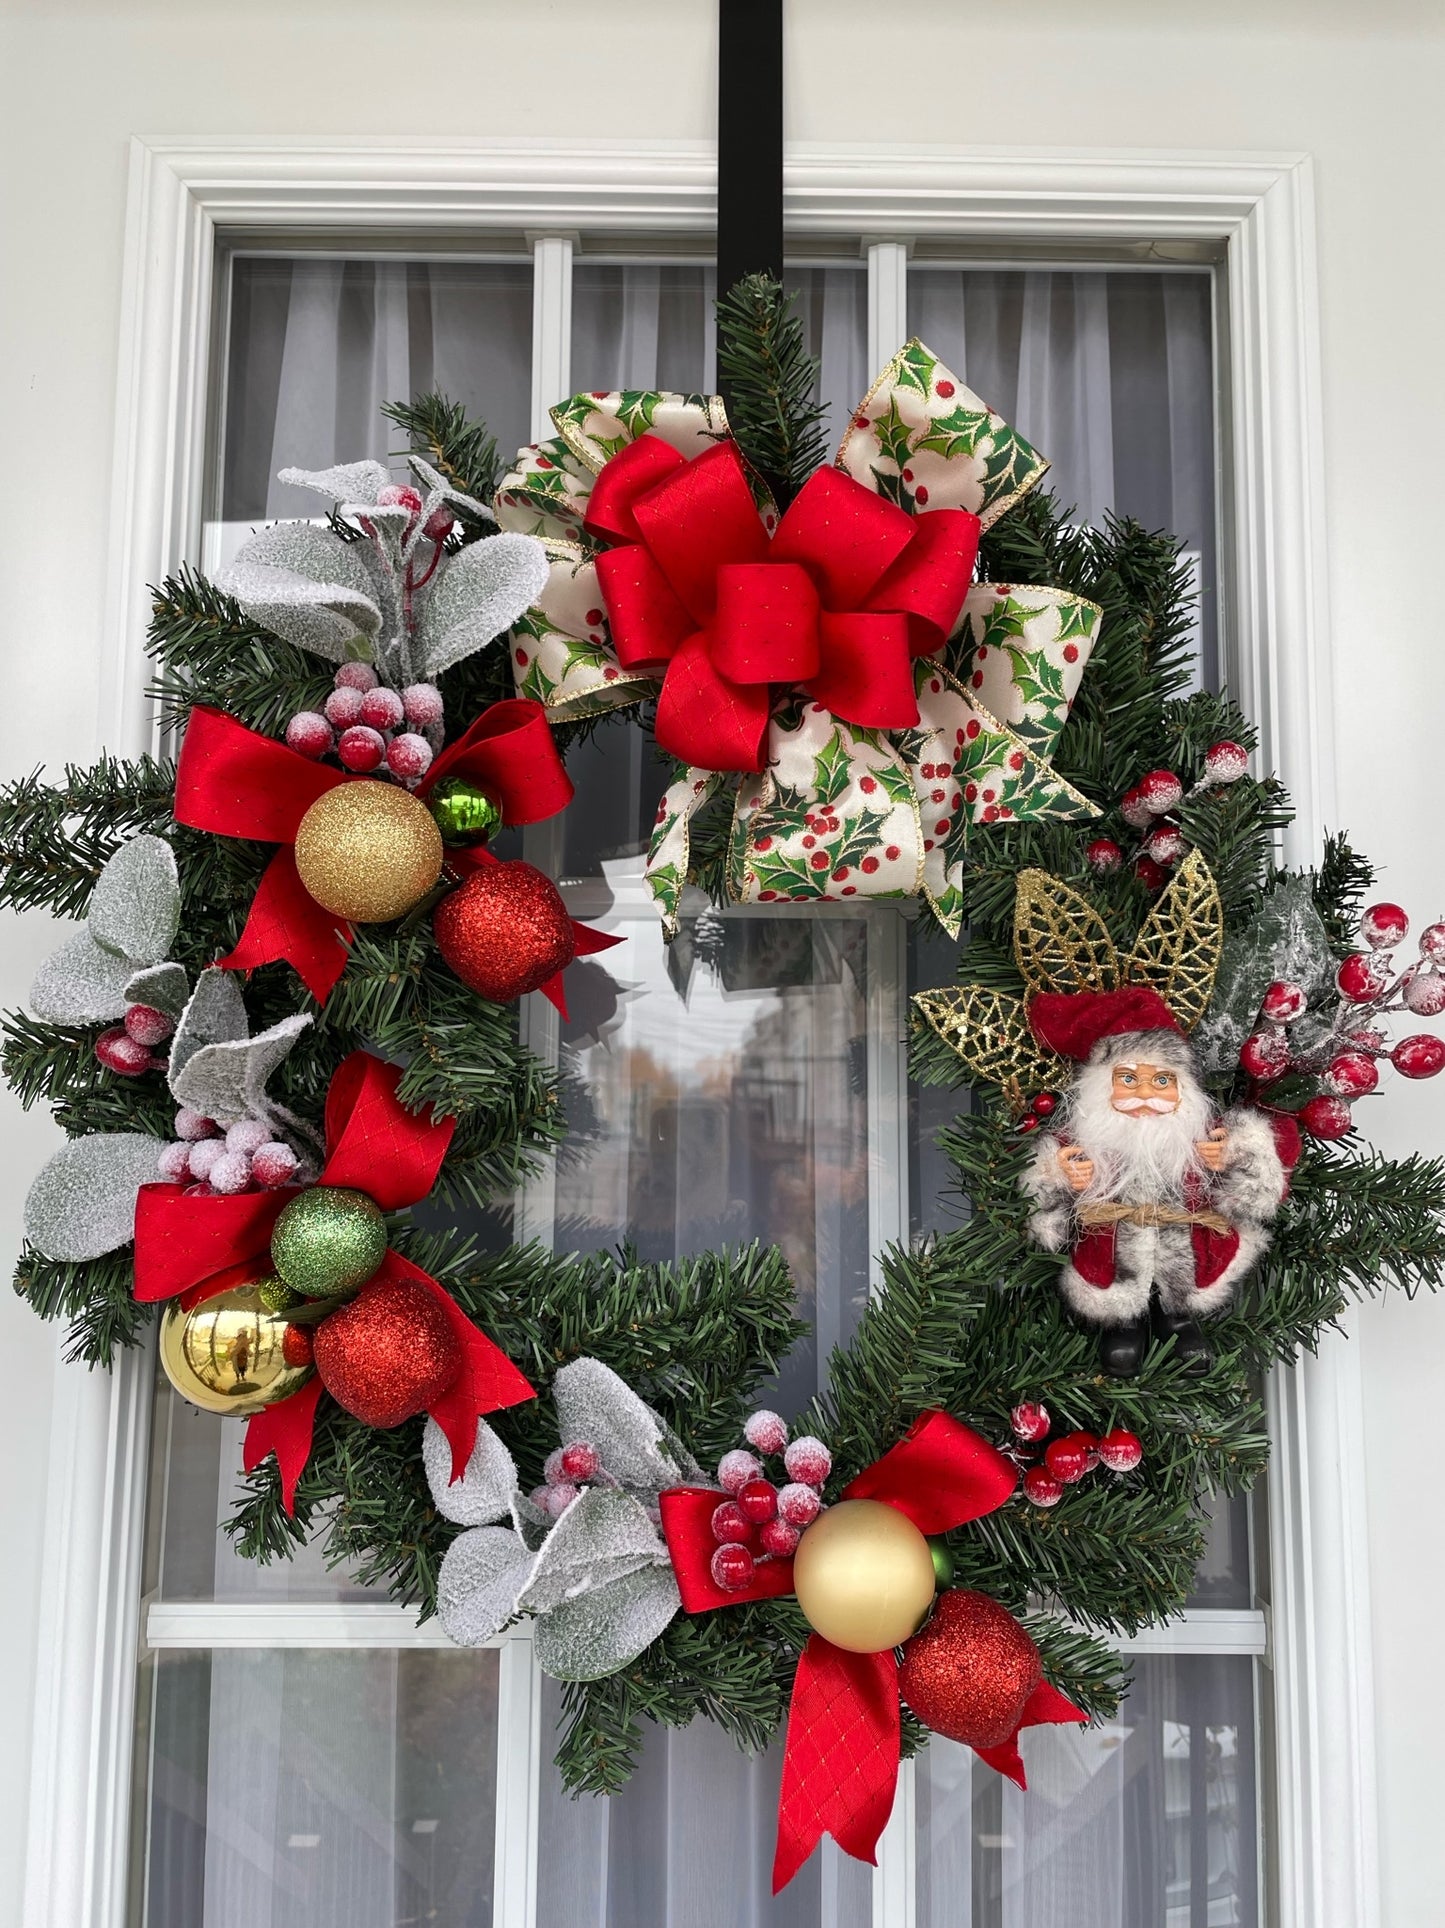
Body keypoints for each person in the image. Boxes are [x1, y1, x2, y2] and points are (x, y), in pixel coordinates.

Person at [1022, 985, 1292, 1376]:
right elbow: (1043, 1209)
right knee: (1115, 1289)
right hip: (1110, 1252)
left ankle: (1180, 1322)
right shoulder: (1087, 1142)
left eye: (1162, 1081)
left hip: (1190, 1250)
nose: (1146, 1094)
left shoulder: (1202, 1135)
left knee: (1183, 1284)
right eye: (1129, 1081)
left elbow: (1259, 1194)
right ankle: (1123, 1326)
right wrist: (1061, 1174)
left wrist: (1235, 1152)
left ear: (1184, 1089)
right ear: (1099, 1089)